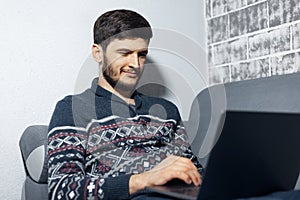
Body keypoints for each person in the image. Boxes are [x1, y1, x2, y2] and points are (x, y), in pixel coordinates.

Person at [48, 9, 203, 200]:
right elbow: (61, 191)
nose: (135, 64)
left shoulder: (168, 110)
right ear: (98, 53)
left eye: (142, 54)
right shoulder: (72, 109)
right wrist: (144, 180)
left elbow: (192, 170)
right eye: (125, 53)